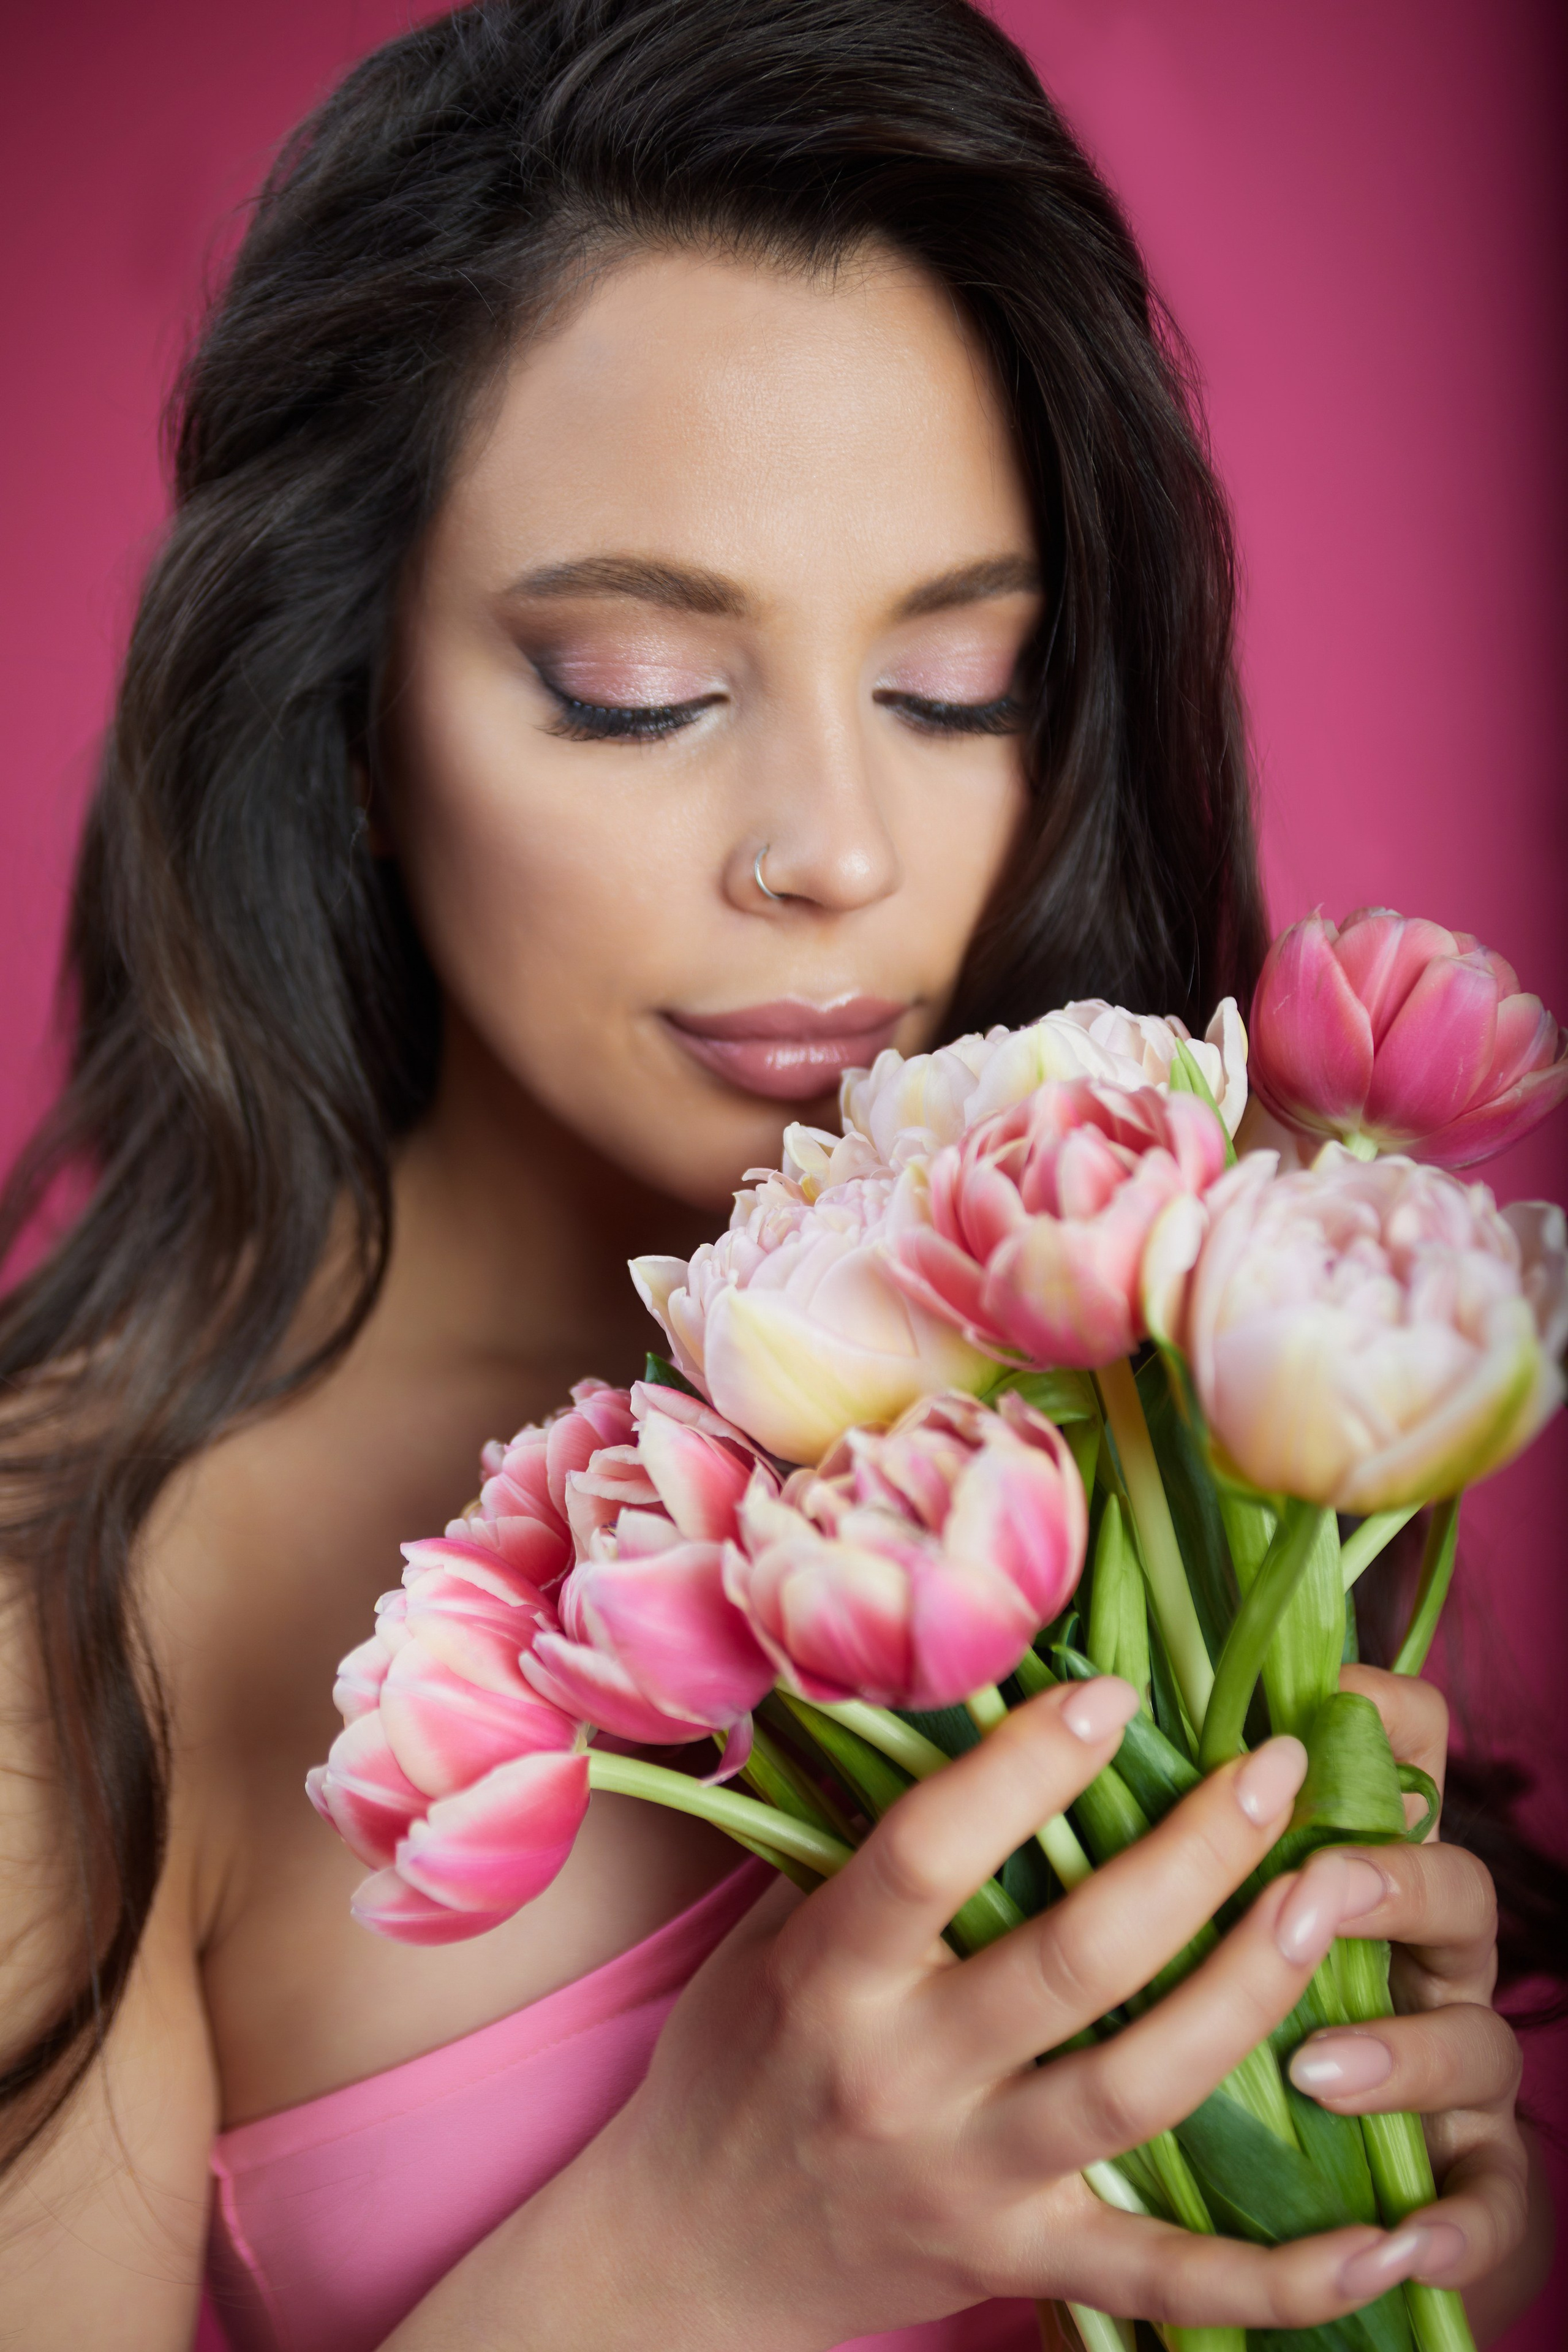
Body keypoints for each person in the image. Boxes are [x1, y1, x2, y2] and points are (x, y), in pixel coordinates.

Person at [0, 2, 1552, 2345]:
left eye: (962, 692)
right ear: (337, 703)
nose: (838, 850)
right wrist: (686, 2257)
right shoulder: (73, 1600)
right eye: (639, 686)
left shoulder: (1209, 1353)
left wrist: (1374, 2242)